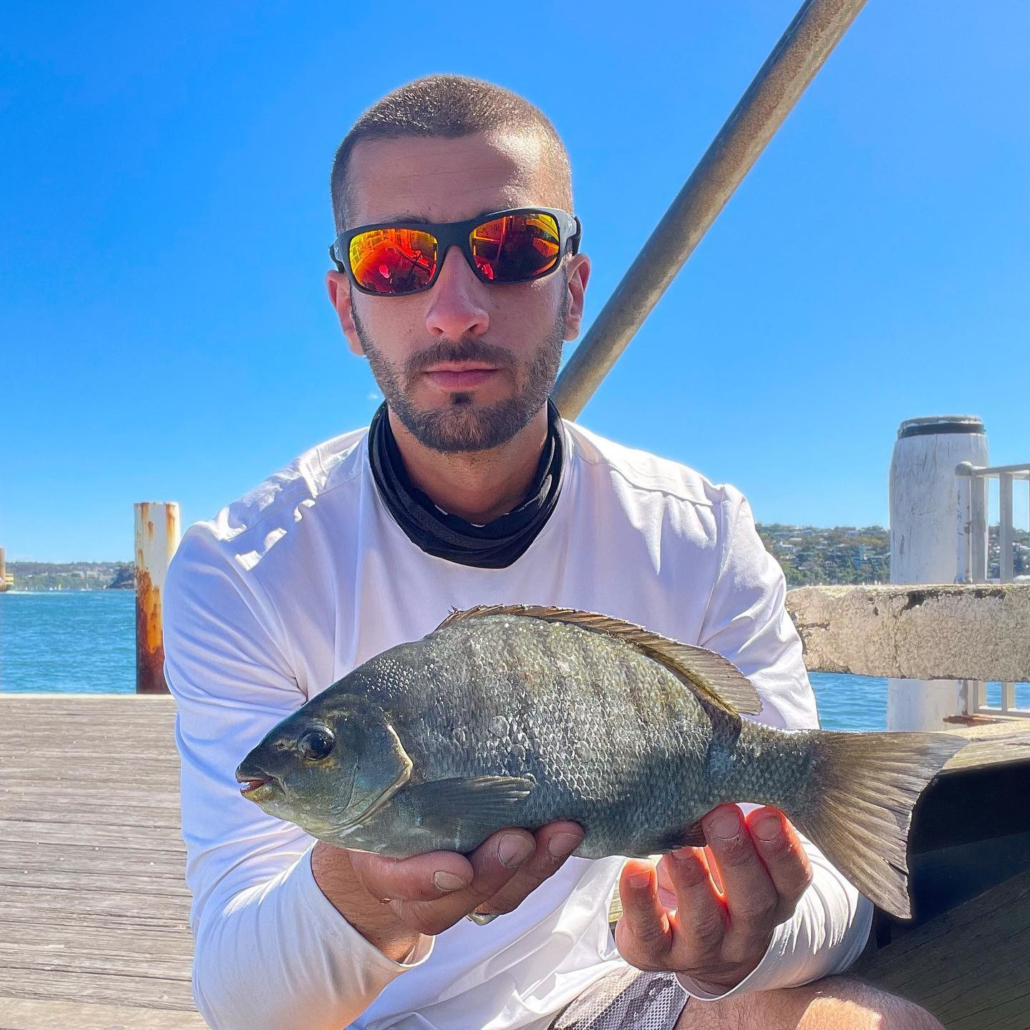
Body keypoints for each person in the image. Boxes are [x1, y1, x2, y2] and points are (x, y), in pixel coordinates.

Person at [164, 75, 944, 1030]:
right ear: (346, 306)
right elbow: (244, 1004)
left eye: (511, 247)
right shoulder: (240, 568)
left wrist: (736, 942)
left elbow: (833, 899)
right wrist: (365, 897)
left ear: (573, 289)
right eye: (398, 258)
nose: (457, 309)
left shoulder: (698, 529)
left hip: (614, 990)